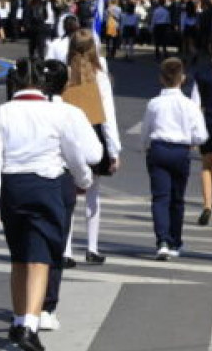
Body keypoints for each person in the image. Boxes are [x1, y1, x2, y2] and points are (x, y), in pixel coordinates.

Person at [0, 58, 102, 351]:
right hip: (45, 186)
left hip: (13, 189)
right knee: (41, 258)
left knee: (19, 257)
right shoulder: (57, 113)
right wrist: (83, 179)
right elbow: (73, 154)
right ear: (41, 83)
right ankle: (30, 326)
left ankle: (20, 319)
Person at [59, 29, 121, 266]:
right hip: (94, 136)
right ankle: (92, 247)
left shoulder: (64, 74)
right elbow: (108, 118)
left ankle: (66, 249)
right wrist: (114, 151)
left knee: (69, 195)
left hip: (68, 137)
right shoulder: (100, 77)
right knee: (93, 193)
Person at [143, 57, 208, 261]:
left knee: (160, 198)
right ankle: (175, 241)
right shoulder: (189, 105)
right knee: (177, 199)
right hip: (181, 151)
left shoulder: (154, 103)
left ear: (161, 78)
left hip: (159, 149)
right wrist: (191, 141)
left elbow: (146, 131)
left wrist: (147, 147)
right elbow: (201, 135)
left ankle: (161, 240)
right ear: (182, 79)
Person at [191, 36, 212, 227]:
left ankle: (207, 205)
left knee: (207, 166)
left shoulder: (202, 73)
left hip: (208, 123)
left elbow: (195, 104)